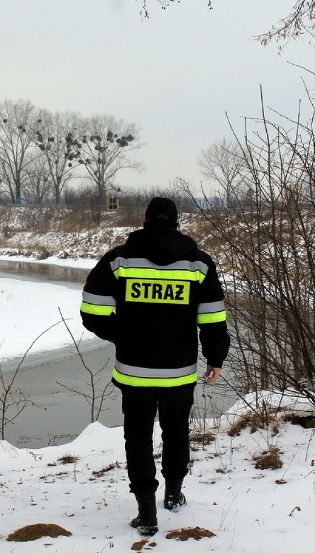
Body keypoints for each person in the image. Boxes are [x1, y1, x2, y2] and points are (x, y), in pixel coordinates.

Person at [80, 196, 230, 536]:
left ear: (145, 219)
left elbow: (92, 309)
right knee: (177, 432)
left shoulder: (119, 260)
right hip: (179, 371)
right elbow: (212, 318)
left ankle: (146, 511)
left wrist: (123, 335)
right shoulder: (198, 263)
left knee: (138, 437)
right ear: (177, 222)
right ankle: (174, 495)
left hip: (134, 370)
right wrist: (215, 357)